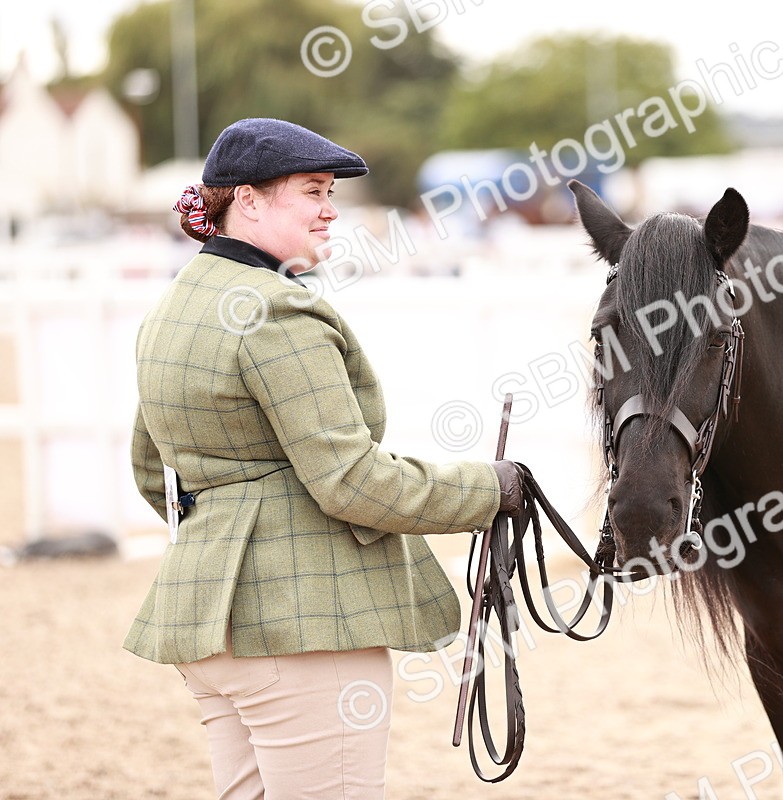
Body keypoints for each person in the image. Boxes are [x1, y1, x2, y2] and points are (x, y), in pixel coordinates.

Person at [124, 118, 524, 799]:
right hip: (304, 629)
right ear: (247, 200)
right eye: (312, 191)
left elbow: (150, 470)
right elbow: (350, 481)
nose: (330, 209)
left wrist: (224, 532)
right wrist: (490, 490)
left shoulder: (174, 308)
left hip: (207, 629)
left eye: (330, 192)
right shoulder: (278, 313)